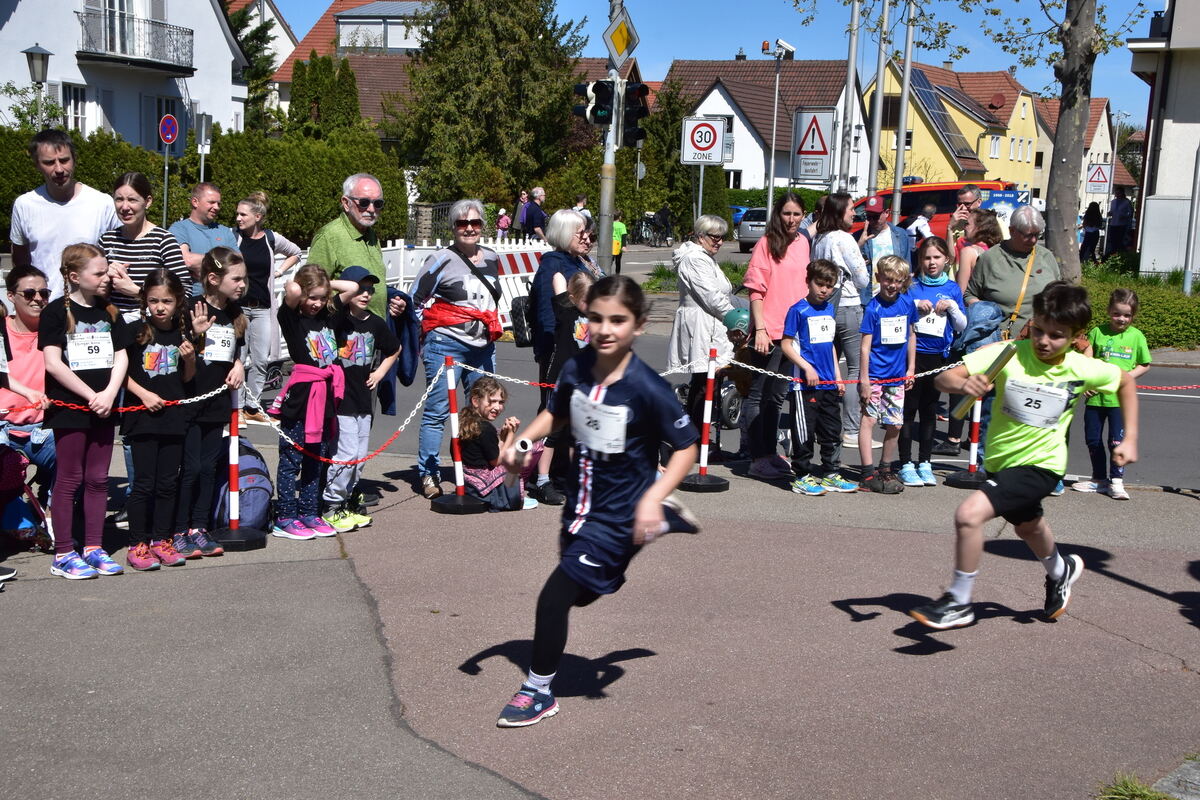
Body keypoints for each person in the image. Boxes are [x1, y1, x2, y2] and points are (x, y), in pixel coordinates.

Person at [494, 276, 700, 728]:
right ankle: (655, 526)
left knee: (553, 599)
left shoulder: (648, 388)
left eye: (618, 320)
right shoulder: (577, 367)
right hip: (579, 507)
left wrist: (653, 496)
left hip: (619, 513)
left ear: (639, 325)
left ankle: (537, 691)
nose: (605, 329)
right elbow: (556, 413)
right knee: (583, 596)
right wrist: (523, 445)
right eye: (597, 318)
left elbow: (687, 447)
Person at [911, 282, 1138, 629]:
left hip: (1043, 464)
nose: (1044, 341)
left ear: (1076, 336)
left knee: (968, 515)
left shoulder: (1081, 367)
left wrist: (1130, 438)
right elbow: (944, 378)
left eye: (1057, 336)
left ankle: (958, 600)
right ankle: (1061, 570)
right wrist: (964, 384)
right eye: (1040, 330)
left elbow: (1125, 382)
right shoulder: (1009, 353)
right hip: (1002, 462)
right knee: (1028, 527)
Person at [39, 243, 131, 579]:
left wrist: (109, 393)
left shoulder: (110, 311)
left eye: (107, 271)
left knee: (98, 478)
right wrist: (91, 395)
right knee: (69, 479)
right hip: (71, 407)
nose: (107, 277)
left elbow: (121, 355)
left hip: (104, 407)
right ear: (75, 276)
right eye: (100, 272)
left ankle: (94, 547)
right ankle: (64, 552)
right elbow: (53, 362)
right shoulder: (55, 312)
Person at [410, 199, 503, 500]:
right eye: (463, 223)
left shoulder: (492, 258)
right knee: (438, 411)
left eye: (475, 223)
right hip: (446, 345)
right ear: (453, 227)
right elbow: (415, 298)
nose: (469, 228)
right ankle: (429, 473)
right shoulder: (441, 259)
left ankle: (474, 468)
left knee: (480, 410)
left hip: (482, 347)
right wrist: (431, 329)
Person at [121, 269, 196, 570]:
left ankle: (161, 539)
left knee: (167, 483)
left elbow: (187, 380)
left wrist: (190, 359)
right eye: (154, 301)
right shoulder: (135, 331)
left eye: (166, 301)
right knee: (143, 484)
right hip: (142, 418)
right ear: (145, 301)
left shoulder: (183, 333)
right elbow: (119, 372)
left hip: (173, 418)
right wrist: (144, 394)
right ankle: (137, 543)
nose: (160, 307)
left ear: (178, 302)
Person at [174, 248, 247, 557]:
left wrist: (239, 365)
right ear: (214, 279)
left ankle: (199, 527)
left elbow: (237, 350)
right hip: (191, 400)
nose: (242, 285)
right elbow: (179, 351)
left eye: (244, 279)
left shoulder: (235, 313)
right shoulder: (192, 307)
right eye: (237, 279)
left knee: (208, 467)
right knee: (190, 468)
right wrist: (195, 334)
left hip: (217, 402)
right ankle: (179, 529)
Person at [321, 267, 401, 531]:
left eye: (370, 289)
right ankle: (331, 505)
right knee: (344, 454)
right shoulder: (335, 318)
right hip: (340, 398)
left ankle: (346, 501)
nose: (366, 294)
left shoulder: (375, 323)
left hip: (363, 399)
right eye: (360, 288)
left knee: (359, 456)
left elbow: (395, 348)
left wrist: (379, 372)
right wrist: (337, 284)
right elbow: (327, 294)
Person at [742, 193, 811, 479]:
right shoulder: (766, 243)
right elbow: (755, 290)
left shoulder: (803, 242)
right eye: (786, 213)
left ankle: (770, 453)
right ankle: (757, 457)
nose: (791, 219)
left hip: (792, 333)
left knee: (776, 397)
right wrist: (759, 329)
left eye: (796, 214)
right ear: (777, 214)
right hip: (769, 331)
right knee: (758, 395)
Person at [269, 265, 340, 539]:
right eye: (312, 297)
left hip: (325, 397)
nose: (317, 303)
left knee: (316, 459)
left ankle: (309, 512)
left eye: (322, 298)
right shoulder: (291, 318)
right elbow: (291, 290)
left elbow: (353, 288)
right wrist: (302, 288)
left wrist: (325, 285)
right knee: (291, 459)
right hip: (300, 398)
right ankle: (285, 516)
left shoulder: (327, 317)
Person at [10, 129, 119, 300]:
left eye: (64, 160)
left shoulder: (102, 203)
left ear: (74, 159)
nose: (59, 169)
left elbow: (119, 254)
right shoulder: (24, 205)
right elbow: (20, 260)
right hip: (43, 307)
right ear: (37, 165)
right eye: (49, 162)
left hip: (92, 308)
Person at [780, 259, 858, 496]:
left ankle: (830, 473)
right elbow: (786, 344)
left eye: (829, 286)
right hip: (804, 385)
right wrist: (807, 368)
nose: (824, 290)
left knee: (832, 430)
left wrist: (837, 376)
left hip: (828, 382)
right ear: (809, 281)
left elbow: (830, 345)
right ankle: (802, 476)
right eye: (820, 284)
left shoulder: (829, 309)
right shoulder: (798, 310)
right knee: (805, 432)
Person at [896, 238, 966, 487]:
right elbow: (898, 312)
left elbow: (962, 326)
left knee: (929, 411)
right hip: (913, 357)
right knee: (908, 410)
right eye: (927, 258)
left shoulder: (952, 288)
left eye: (937, 257)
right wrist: (915, 305)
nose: (932, 262)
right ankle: (905, 463)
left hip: (939, 358)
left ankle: (925, 462)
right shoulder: (912, 286)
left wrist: (953, 307)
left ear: (946, 259)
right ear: (920, 260)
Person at [666, 214, 741, 433]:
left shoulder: (705, 257)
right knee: (704, 382)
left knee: (708, 381)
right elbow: (712, 297)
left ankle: (701, 436)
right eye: (715, 237)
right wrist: (735, 319)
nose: (720, 241)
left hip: (710, 323)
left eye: (722, 237)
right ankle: (697, 438)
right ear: (700, 236)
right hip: (702, 324)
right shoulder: (695, 259)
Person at [1073, 288, 1150, 500]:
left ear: (1133, 315)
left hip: (1119, 401)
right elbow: (1087, 360)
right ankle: (1099, 480)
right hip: (1095, 399)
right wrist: (1087, 382)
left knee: (1116, 442)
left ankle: (1116, 481)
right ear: (1109, 311)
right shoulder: (1098, 332)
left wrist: (1125, 379)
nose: (1121, 319)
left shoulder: (1136, 336)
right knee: (1093, 440)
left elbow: (1144, 364)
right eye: (1117, 314)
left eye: (1127, 315)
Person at [233, 191, 302, 423]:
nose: (238, 219)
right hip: (239, 308)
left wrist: (279, 271)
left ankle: (252, 407)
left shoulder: (270, 238)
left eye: (243, 214)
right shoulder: (233, 237)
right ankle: (237, 408)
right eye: (237, 214)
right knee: (238, 358)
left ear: (258, 216)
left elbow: (295, 252)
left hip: (262, 308)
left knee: (261, 359)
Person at [812, 192, 872, 450]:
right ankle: (850, 429)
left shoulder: (819, 239)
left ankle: (824, 426)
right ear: (839, 212)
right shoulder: (844, 238)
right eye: (850, 209)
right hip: (847, 305)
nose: (854, 213)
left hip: (825, 308)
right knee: (855, 369)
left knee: (828, 367)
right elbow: (863, 279)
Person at [857, 255, 918, 493]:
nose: (892, 285)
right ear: (879, 278)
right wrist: (864, 379)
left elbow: (911, 336)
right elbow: (865, 347)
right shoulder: (873, 308)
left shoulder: (907, 304)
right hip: (875, 375)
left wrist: (911, 368)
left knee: (895, 424)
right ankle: (867, 472)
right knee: (869, 420)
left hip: (897, 375)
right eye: (887, 280)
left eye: (897, 281)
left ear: (903, 282)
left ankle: (885, 467)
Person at [100, 172, 190, 313]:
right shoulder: (106, 240)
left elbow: (185, 293)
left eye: (132, 200)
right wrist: (105, 277)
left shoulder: (163, 240)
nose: (124, 207)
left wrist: (137, 292)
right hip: (111, 322)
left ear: (147, 202)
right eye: (119, 199)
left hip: (148, 323)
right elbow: (92, 293)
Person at [0, 266, 54, 496]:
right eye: (30, 293)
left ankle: (51, 511)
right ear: (11, 296)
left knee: (75, 461)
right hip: (3, 426)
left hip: (44, 429)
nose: (38, 299)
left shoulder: (56, 331)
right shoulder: (1, 330)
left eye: (44, 293)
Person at [308, 173, 392, 319]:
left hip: (375, 328)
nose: (371, 209)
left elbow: (375, 286)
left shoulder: (372, 236)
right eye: (364, 202)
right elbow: (312, 287)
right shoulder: (329, 237)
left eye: (378, 203)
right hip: (344, 329)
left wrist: (393, 300)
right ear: (346, 203)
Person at [459, 377, 539, 512]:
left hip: (470, 481)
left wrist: (502, 437)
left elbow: (492, 452)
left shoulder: (468, 422)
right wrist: (511, 434)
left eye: (501, 402)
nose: (497, 407)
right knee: (532, 448)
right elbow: (496, 461)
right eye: (492, 401)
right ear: (476, 401)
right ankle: (513, 497)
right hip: (484, 489)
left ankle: (513, 492)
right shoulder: (485, 428)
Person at [169, 182, 237, 292]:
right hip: (191, 298)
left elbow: (237, 264)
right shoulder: (179, 229)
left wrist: (204, 267)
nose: (216, 207)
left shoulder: (225, 232)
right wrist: (222, 264)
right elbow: (187, 260)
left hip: (222, 299)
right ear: (195, 202)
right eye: (211, 202)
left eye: (218, 204)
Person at [859, 195, 913, 282]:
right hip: (869, 289)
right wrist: (859, 245)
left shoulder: (901, 235)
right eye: (868, 217)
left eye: (875, 217)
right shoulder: (859, 236)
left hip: (894, 287)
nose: (872, 221)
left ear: (887, 213)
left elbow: (907, 266)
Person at [953, 208, 1002, 295]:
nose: (964, 228)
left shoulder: (968, 252)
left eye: (967, 224)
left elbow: (961, 292)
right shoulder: (997, 250)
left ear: (980, 228)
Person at [949, 184, 983, 264]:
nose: (963, 208)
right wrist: (949, 228)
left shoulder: (992, 222)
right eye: (960, 204)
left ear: (979, 202)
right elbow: (950, 259)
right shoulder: (956, 224)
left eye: (967, 204)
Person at [1105, 187, 1133, 258]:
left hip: (1122, 225)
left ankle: (1120, 255)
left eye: (1118, 193)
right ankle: (1112, 255)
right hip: (1113, 224)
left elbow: (1130, 213)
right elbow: (1112, 211)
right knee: (1112, 241)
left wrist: (1125, 216)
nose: (1117, 194)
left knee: (1119, 242)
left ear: (1122, 193)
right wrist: (1110, 213)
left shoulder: (1127, 202)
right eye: (1116, 193)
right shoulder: (1113, 202)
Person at [611, 211, 627, 275]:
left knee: (610, 260)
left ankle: (606, 273)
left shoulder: (610, 224)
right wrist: (624, 246)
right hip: (618, 245)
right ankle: (617, 274)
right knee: (618, 261)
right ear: (619, 217)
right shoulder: (622, 225)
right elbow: (623, 236)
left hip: (610, 244)